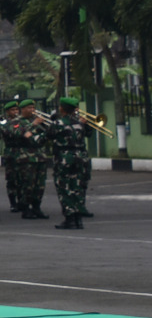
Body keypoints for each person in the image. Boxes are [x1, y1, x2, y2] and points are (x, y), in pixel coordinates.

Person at [51, 97, 92, 230]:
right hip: (80, 158)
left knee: (64, 188)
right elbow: (89, 134)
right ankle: (78, 219)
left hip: (64, 158)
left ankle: (70, 218)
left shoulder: (57, 123)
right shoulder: (80, 123)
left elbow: (45, 137)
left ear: (61, 108)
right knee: (77, 187)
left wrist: (30, 135)